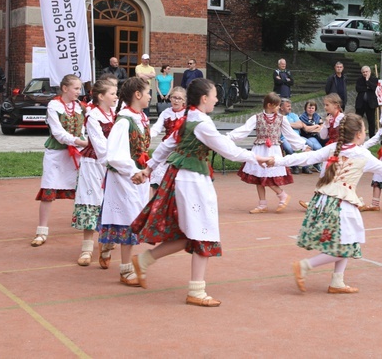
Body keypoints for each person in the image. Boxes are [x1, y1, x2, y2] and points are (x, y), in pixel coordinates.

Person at [130, 78, 272, 306]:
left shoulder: (189, 118)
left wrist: (149, 168)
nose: (217, 99)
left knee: (188, 232)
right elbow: (226, 149)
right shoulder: (201, 122)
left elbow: (167, 145)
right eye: (215, 95)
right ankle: (196, 290)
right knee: (204, 230)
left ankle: (146, 260)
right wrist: (256, 157)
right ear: (204, 98)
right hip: (192, 181)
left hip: (183, 178)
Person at [273, 114, 382, 294]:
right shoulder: (361, 154)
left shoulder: (334, 148)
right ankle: (305, 265)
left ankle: (337, 281)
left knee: (347, 239)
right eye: (364, 130)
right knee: (346, 243)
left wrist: (277, 161)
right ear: (358, 134)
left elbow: (305, 158)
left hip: (325, 200)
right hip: (341, 204)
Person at [99, 76, 152, 286]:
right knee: (127, 221)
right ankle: (125, 269)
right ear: (137, 95)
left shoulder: (140, 118)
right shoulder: (123, 121)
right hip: (124, 179)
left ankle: (107, 248)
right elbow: (113, 154)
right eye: (147, 92)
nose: (150, 96)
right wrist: (133, 170)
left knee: (132, 219)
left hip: (137, 178)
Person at [31, 74, 87, 247]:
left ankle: (91, 226)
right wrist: (78, 141)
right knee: (48, 189)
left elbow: (84, 129)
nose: (79, 92)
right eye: (76, 88)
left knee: (85, 190)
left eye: (79, 88)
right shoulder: (54, 105)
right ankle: (42, 231)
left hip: (76, 154)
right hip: (56, 154)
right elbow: (58, 133)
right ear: (65, 88)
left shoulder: (80, 107)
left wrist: (84, 143)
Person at [228, 92, 307, 214]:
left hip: (273, 150)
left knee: (268, 176)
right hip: (260, 149)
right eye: (277, 106)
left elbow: (290, 135)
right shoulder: (257, 117)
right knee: (258, 177)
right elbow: (243, 130)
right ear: (269, 105)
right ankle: (262, 204)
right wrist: (228, 138)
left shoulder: (282, 119)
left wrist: (302, 146)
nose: (278, 108)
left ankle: (282, 195)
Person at [72, 80, 117, 267]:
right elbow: (100, 146)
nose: (116, 96)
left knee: (110, 203)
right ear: (101, 96)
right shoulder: (93, 116)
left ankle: (105, 247)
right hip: (94, 164)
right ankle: (86, 249)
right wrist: (116, 162)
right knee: (92, 202)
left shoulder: (115, 114)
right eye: (113, 93)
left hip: (111, 164)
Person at [149, 87, 187, 188]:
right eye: (174, 97)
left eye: (179, 98)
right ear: (170, 98)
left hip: (181, 149)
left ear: (184, 100)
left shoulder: (187, 114)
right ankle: (156, 202)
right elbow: (156, 128)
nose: (176, 100)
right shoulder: (166, 112)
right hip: (166, 147)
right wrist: (148, 137)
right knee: (157, 179)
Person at [279, 98, 322, 174]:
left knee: (310, 144)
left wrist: (286, 125)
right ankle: (294, 166)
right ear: (282, 107)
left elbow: (300, 125)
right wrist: (293, 125)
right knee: (289, 148)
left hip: (298, 137)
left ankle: (305, 167)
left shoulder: (293, 115)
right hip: (284, 138)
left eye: (290, 106)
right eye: (288, 106)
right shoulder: (278, 117)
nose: (290, 108)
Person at [355, 66, 379, 138]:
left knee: (371, 121)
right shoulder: (359, 80)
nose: (365, 73)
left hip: (370, 103)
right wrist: (367, 87)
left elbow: (374, 88)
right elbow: (358, 89)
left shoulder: (374, 79)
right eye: (363, 72)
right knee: (357, 120)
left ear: (370, 72)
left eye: (366, 72)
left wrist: (367, 81)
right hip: (360, 103)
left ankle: (372, 136)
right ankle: (356, 134)